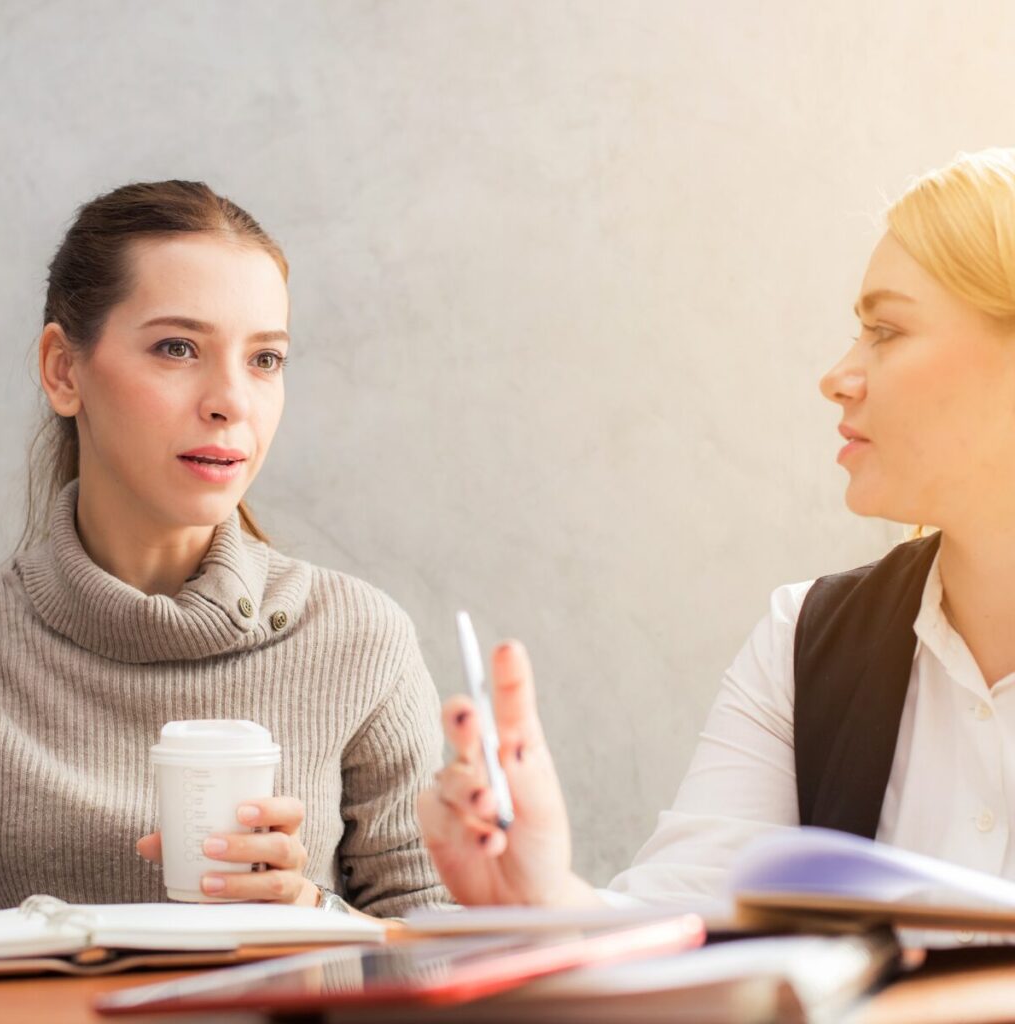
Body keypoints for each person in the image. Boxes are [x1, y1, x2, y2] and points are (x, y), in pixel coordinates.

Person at [418, 147, 1015, 922]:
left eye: (887, 331)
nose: (838, 375)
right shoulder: (804, 641)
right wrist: (542, 897)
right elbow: (687, 924)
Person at [0, 180, 449, 916]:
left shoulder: (361, 641)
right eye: (178, 348)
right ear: (63, 370)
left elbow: (446, 956)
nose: (231, 400)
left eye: (265, 360)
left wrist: (309, 914)